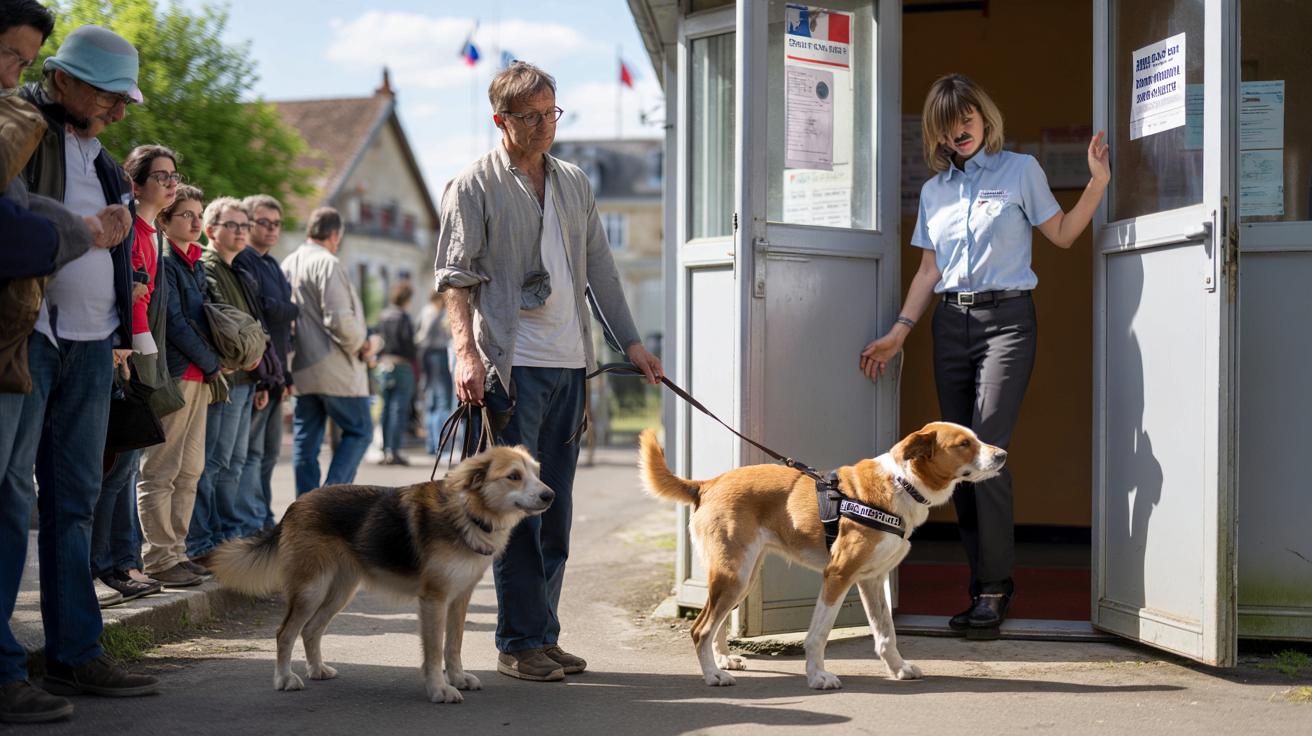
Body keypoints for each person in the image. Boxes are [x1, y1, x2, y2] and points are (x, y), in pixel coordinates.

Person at [858, 73, 1109, 639]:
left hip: (1008, 321)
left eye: (966, 120)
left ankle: (994, 589)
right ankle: (980, 588)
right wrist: (900, 331)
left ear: (983, 118)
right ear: (938, 133)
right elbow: (929, 271)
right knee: (955, 461)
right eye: (947, 125)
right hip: (950, 324)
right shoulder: (934, 191)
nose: (959, 132)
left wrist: (1097, 183)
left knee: (986, 451)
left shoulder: (1021, 170)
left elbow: (1064, 234)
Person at [436, 61, 662, 682]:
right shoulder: (474, 184)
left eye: (551, 113)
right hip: (513, 368)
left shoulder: (571, 181)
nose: (544, 127)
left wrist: (633, 344)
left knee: (553, 510)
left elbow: (602, 269)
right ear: (500, 120)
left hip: (570, 365)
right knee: (513, 515)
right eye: (530, 117)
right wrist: (466, 352)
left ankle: (543, 633)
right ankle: (517, 642)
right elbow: (456, 278)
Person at [6, 22, 159, 712]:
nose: (120, 110)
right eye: (109, 96)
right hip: (29, 340)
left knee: (74, 504)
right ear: (62, 80)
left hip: (93, 347)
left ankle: (76, 654)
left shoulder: (101, 159)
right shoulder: (20, 128)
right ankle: (9, 666)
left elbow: (121, 257)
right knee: (11, 502)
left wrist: (123, 335)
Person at [90, 144, 182, 605]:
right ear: (136, 181)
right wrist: (122, 343)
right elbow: (122, 287)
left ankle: (125, 561)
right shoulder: (127, 224)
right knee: (114, 466)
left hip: (139, 355)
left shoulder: (152, 232)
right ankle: (104, 565)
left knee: (127, 464)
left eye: (174, 175)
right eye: (162, 176)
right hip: (118, 354)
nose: (171, 183)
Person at [138, 185, 220, 588]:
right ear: (166, 221)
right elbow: (174, 322)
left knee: (190, 470)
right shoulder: (167, 258)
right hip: (173, 374)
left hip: (199, 376)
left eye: (199, 214)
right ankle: (157, 557)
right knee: (160, 469)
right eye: (186, 214)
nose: (195, 221)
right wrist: (211, 361)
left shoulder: (195, 262)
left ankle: (177, 552)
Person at [189, 197, 263, 561]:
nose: (240, 232)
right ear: (210, 229)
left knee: (233, 463)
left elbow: (253, 329)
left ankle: (222, 535)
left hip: (247, 379)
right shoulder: (208, 265)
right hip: (225, 379)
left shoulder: (238, 268)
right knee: (213, 463)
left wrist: (261, 374)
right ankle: (204, 541)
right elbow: (221, 324)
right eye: (231, 225)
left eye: (244, 226)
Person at [282, 207, 372, 496]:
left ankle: (304, 510)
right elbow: (339, 319)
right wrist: (362, 344)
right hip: (335, 366)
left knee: (305, 441)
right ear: (335, 235)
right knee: (360, 431)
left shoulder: (288, 263)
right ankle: (329, 502)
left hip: (302, 366)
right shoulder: (327, 263)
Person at [233, 194, 297, 531]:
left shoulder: (272, 263)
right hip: (256, 370)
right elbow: (266, 310)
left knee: (270, 453)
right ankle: (250, 521)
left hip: (277, 370)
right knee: (250, 454)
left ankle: (263, 517)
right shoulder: (244, 259)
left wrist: (285, 376)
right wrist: (289, 308)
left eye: (276, 224)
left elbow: (281, 312)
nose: (271, 230)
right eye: (264, 223)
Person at [376, 282, 417, 466]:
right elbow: (409, 344)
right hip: (401, 365)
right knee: (398, 410)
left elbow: (378, 340)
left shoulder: (383, 316)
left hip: (384, 365)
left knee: (385, 408)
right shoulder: (404, 318)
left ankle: (385, 450)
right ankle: (394, 449)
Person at [416, 289, 453, 454]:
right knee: (442, 401)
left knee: (431, 401)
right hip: (439, 354)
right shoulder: (440, 312)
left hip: (426, 356)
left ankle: (431, 444)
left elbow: (418, 335)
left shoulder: (424, 311)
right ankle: (442, 444)